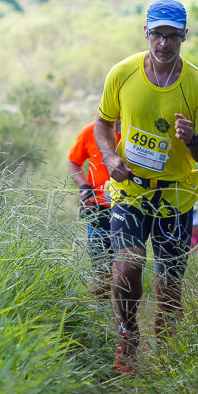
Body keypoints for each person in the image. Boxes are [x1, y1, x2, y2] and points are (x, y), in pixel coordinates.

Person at [93, 0, 198, 372]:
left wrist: (193, 140)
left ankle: (166, 355)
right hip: (131, 190)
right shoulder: (122, 73)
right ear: (145, 33)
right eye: (157, 35)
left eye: (172, 36)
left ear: (184, 36)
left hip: (176, 198)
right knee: (129, 264)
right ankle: (128, 336)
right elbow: (103, 124)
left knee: (170, 284)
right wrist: (110, 158)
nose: (163, 44)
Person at [67, 120, 120, 297]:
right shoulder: (90, 131)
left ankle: (122, 316)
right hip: (99, 208)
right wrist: (84, 186)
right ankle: (102, 314)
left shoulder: (136, 132)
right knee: (101, 266)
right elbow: (73, 162)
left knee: (125, 265)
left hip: (131, 207)